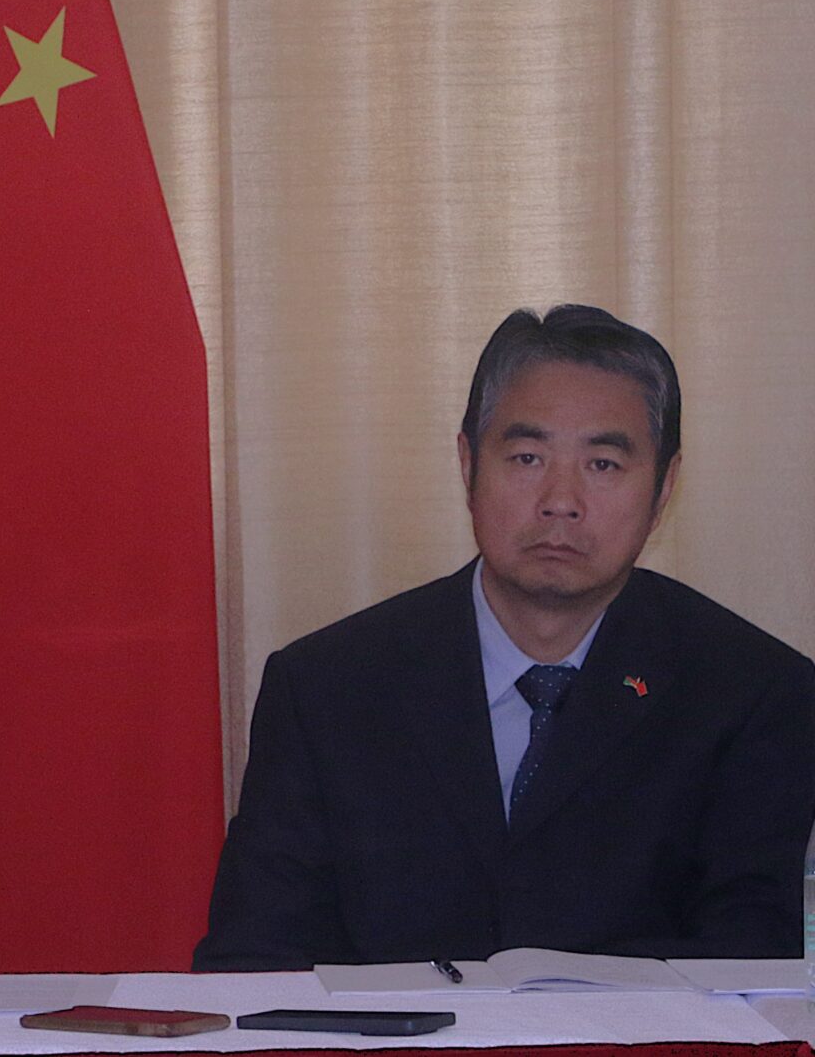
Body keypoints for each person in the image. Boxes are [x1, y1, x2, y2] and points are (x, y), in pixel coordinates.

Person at [195, 305, 815, 971]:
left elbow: (746, 962)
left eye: (603, 465)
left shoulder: (753, 695)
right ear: (468, 466)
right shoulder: (327, 689)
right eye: (527, 457)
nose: (560, 500)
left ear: (664, 489)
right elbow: (252, 961)